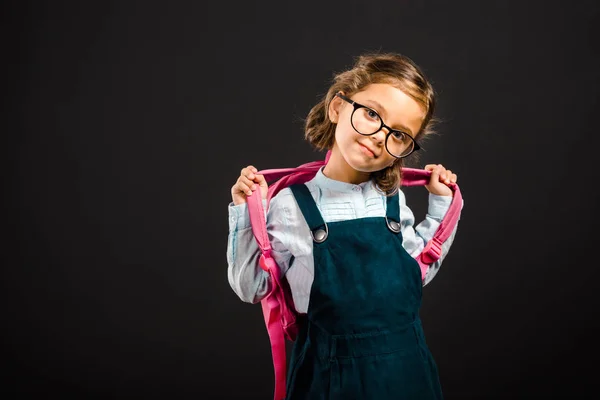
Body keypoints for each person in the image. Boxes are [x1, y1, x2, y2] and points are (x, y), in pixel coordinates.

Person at [226, 52, 462, 399]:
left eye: (398, 134)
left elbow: (417, 272)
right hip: (329, 378)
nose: (380, 136)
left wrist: (442, 203)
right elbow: (252, 287)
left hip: (407, 373)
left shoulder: (392, 200)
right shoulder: (291, 205)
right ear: (337, 107)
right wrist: (246, 214)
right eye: (371, 114)